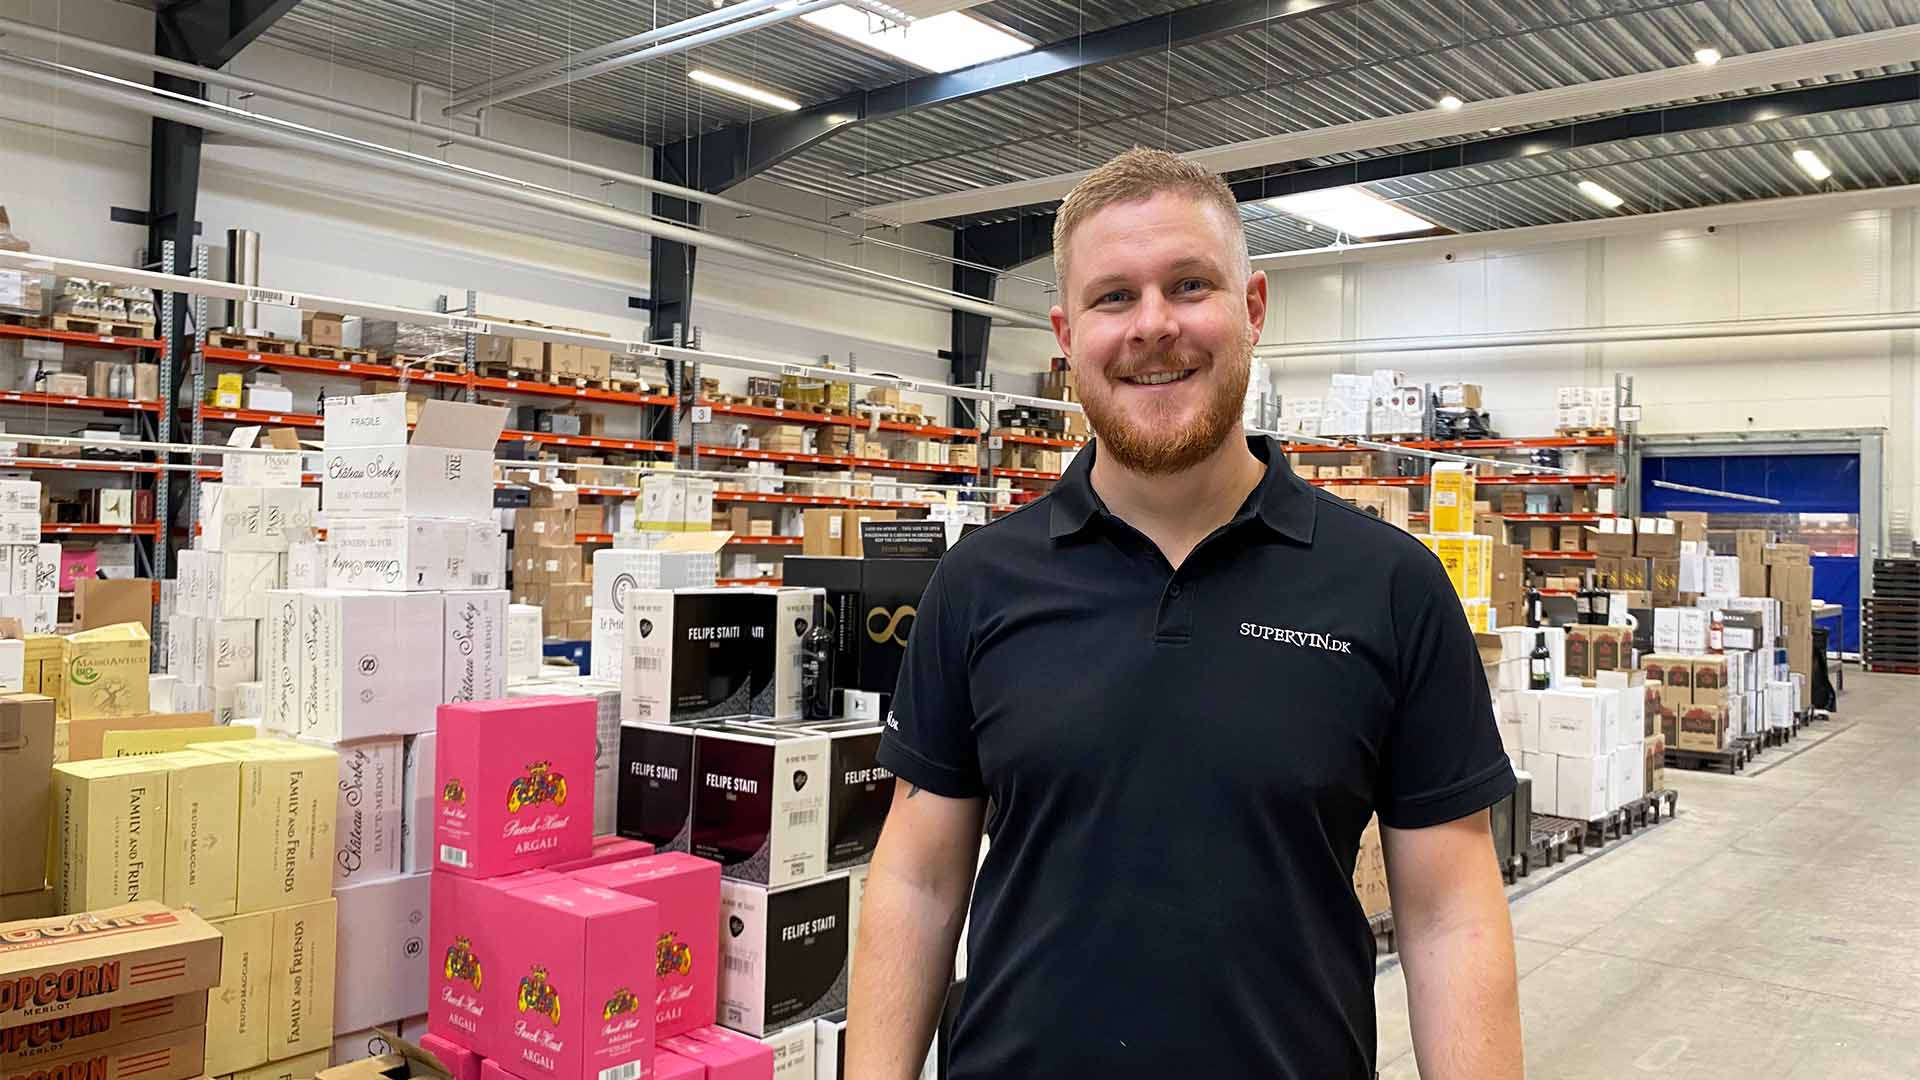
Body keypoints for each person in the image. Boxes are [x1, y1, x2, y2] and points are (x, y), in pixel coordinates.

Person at [845, 147, 1523, 1079]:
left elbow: (1451, 918)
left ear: (1253, 308)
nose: (1153, 325)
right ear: (1066, 334)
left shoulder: (1391, 587)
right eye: (1113, 296)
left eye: (1189, 285)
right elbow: (918, 883)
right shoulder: (977, 583)